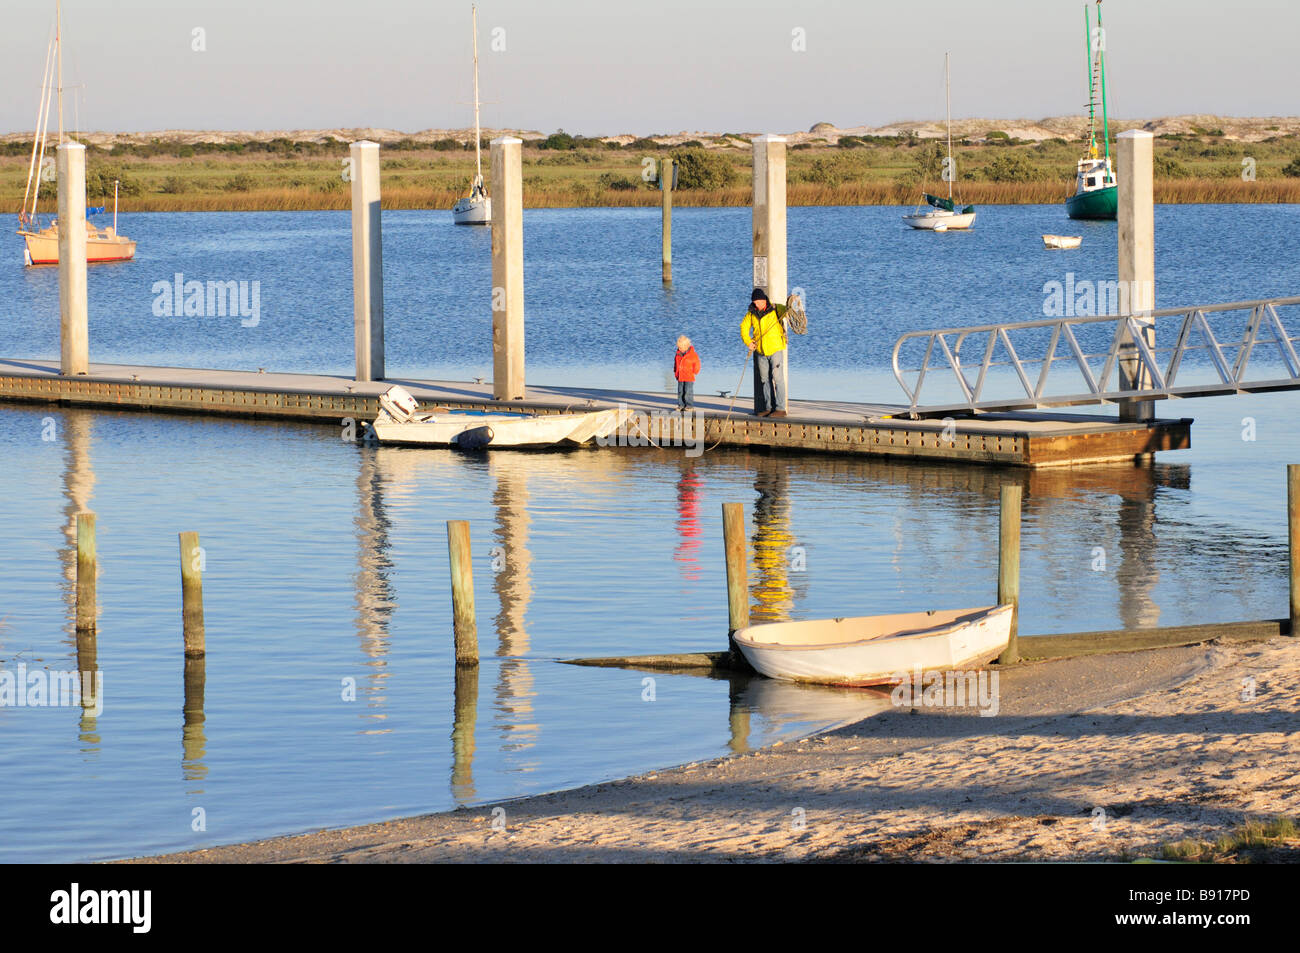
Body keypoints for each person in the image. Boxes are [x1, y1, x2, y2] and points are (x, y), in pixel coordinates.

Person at [740, 287, 789, 417]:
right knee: (764, 380)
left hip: (775, 349)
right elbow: (743, 327)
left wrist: (792, 307)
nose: (757, 304)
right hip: (761, 351)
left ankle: (780, 408)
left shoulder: (775, 309)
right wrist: (748, 342)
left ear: (764, 299)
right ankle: (769, 407)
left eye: (759, 301)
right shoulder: (751, 313)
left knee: (777, 378)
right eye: (755, 302)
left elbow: (790, 311)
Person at [673, 335, 700, 410]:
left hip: (689, 376)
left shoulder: (692, 355)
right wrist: (675, 372)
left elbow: (697, 364)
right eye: (678, 347)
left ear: (686, 346)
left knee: (688, 391)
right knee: (680, 392)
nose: (679, 348)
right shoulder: (678, 354)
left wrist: (695, 371)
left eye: (680, 347)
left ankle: (689, 405)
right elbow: (675, 364)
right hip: (680, 376)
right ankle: (681, 405)